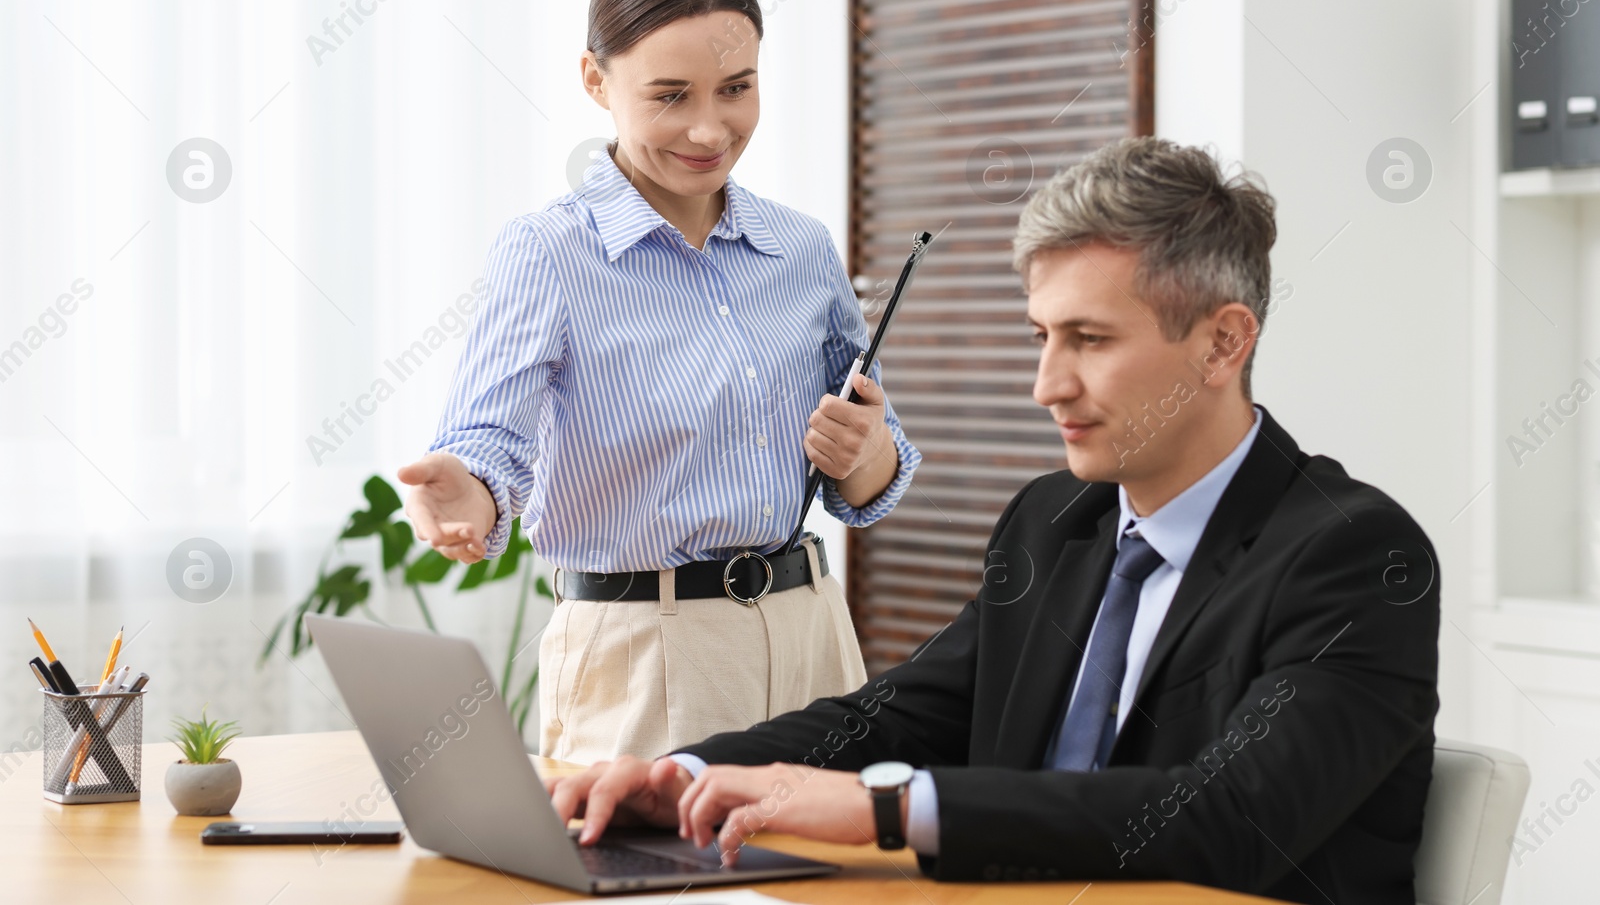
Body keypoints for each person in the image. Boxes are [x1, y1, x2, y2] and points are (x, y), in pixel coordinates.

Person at [549, 136, 1441, 904]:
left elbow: (1233, 816)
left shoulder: (1356, 556)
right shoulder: (1054, 522)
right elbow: (900, 715)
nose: (1046, 385)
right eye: (1040, 337)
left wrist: (885, 812)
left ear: (1222, 340)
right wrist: (684, 777)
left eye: (1089, 340)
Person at [397, 0, 921, 764]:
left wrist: (866, 450)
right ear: (596, 81)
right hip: (644, 656)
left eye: (737, 89)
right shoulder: (549, 252)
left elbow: (868, 479)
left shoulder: (803, 248)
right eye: (671, 95)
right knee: (661, 890)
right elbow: (488, 444)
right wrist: (472, 493)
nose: (710, 128)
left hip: (815, 634)